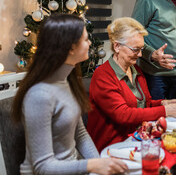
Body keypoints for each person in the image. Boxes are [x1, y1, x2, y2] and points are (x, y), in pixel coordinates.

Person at [11, 14, 128, 175]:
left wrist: (100, 165)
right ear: (70, 47)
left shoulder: (67, 80)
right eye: (86, 39)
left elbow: (80, 134)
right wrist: (91, 166)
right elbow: (42, 167)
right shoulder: (39, 95)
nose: (89, 43)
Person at [86, 17, 176, 152]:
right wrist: (165, 111)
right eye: (135, 49)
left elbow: (144, 105)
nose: (140, 54)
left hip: (137, 140)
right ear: (117, 46)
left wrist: (163, 103)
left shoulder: (135, 70)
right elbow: (124, 114)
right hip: (112, 147)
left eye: (141, 49)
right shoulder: (103, 75)